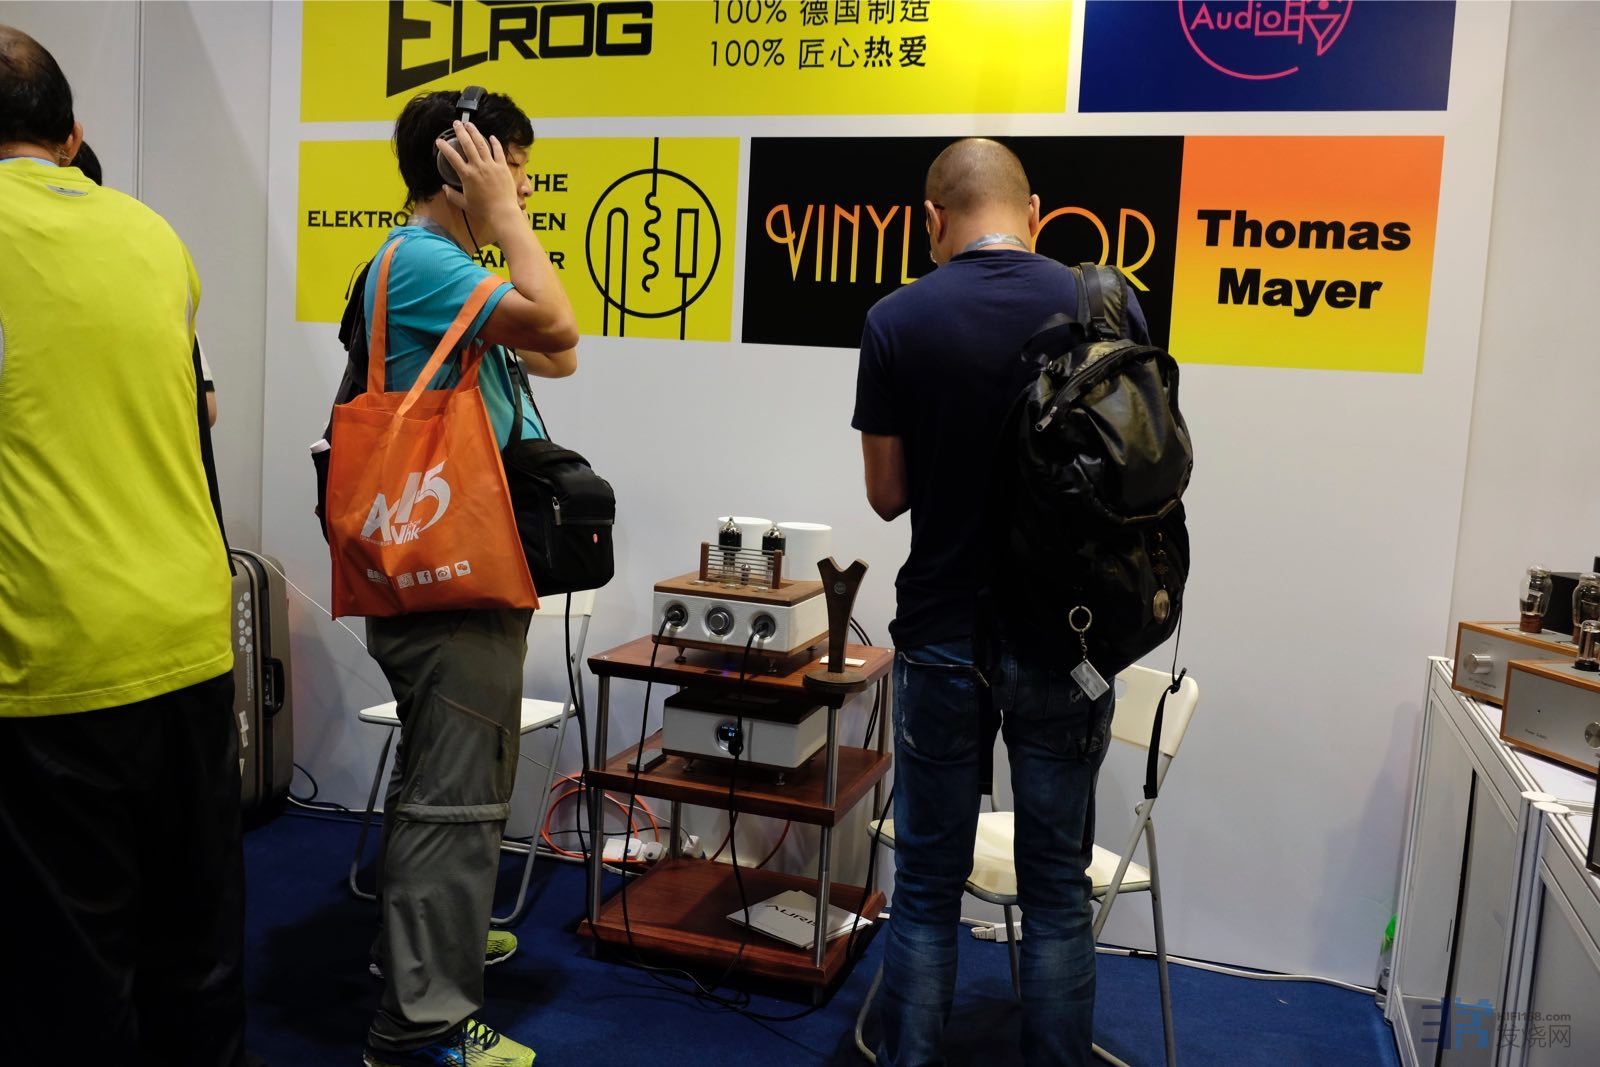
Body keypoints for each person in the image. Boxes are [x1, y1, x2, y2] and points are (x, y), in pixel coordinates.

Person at [852, 139, 1151, 1066]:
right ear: (1034, 213)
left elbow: (886, 495)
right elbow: (1140, 471)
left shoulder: (896, 318)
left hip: (943, 629)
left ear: (930, 221)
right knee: (1057, 890)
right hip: (1073, 634)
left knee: (927, 886)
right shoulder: (1105, 304)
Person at [0, 24, 245, 1065]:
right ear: (72, 135)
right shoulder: (153, 235)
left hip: (51, 654)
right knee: (196, 950)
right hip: (186, 634)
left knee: (69, 974)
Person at [354, 88, 578, 1067]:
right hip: (451, 577)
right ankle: (421, 1025)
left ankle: (428, 943)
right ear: (457, 167)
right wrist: (505, 221)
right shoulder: (422, 261)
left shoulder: (448, 268)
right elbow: (557, 317)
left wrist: (501, 233)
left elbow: (559, 352)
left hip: (464, 565)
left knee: (446, 779)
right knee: (455, 795)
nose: (523, 185)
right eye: (508, 164)